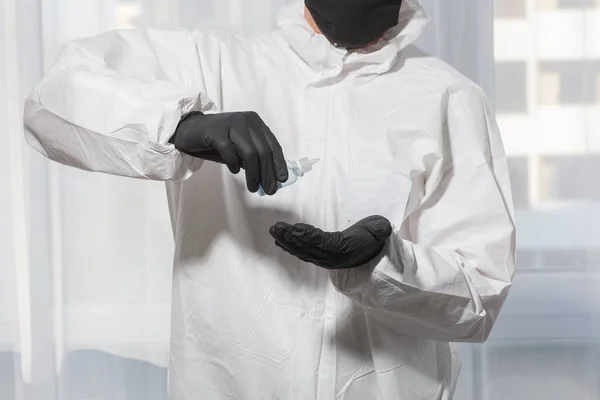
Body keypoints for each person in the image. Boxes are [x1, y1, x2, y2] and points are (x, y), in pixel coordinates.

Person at [23, 0, 516, 398]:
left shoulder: (449, 98)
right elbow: (52, 99)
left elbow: (480, 296)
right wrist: (180, 125)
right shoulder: (211, 66)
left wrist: (382, 263)